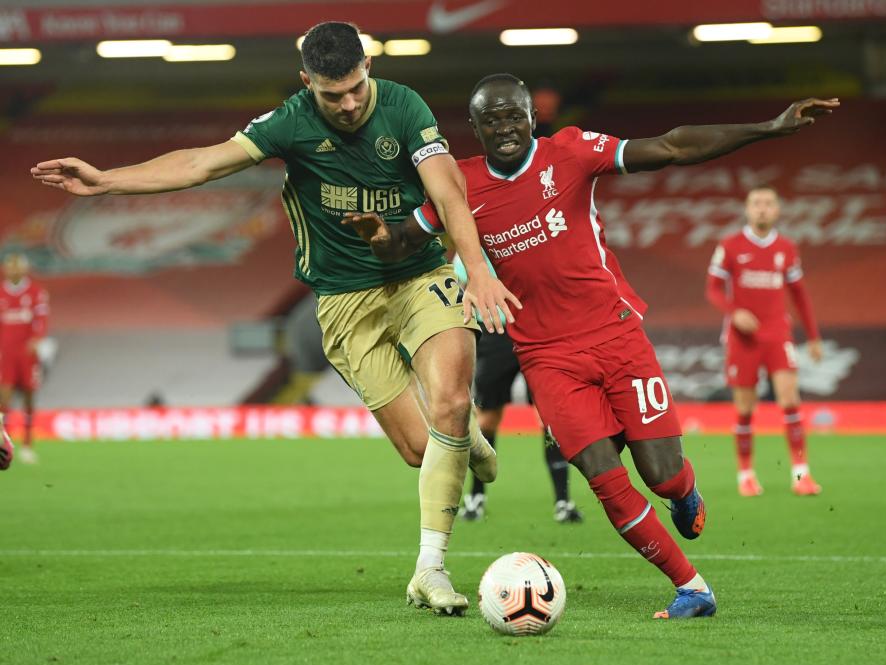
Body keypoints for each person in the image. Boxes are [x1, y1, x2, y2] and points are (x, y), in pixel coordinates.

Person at [30, 22, 522, 616]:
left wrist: (480, 268)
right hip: (345, 299)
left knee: (446, 400)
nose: (346, 105)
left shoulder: (403, 106)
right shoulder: (289, 121)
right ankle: (466, 439)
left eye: (355, 89)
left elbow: (448, 193)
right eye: (330, 94)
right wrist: (107, 181)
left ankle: (429, 569)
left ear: (368, 67)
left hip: (420, 275)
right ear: (305, 82)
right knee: (425, 450)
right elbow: (201, 164)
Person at [343, 73, 838, 619]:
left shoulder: (572, 152)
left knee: (661, 472)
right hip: (546, 359)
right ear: (477, 129)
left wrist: (768, 128)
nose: (505, 128)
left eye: (514, 116)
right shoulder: (459, 185)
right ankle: (692, 587)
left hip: (617, 335)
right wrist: (379, 238)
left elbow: (672, 146)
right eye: (491, 120)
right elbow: (402, 242)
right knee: (604, 478)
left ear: (532, 117)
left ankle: (682, 492)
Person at [706, 186, 823, 497]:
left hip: (777, 333)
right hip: (742, 338)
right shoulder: (730, 246)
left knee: (790, 401)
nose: (762, 208)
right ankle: (746, 474)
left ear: (777, 210)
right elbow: (714, 289)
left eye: (768, 203)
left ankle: (802, 475)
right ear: (747, 209)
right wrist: (735, 313)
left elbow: (800, 294)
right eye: (756, 203)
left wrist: (813, 336)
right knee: (745, 409)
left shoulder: (786, 247)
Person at [450, 254, 582, 524]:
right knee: (487, 418)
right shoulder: (471, 243)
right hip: (493, 332)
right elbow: (459, 281)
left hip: (536, 332)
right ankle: (476, 498)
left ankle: (563, 501)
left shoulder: (522, 235)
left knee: (549, 419)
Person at [0, 253, 49, 466]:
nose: (13, 270)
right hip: (5, 354)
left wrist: (37, 339)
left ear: (24, 268)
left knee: (29, 398)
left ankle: (28, 445)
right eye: (10, 266)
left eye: (17, 266)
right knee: (4, 400)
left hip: (27, 354)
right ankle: (6, 445)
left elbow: (42, 318)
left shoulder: (36, 292)